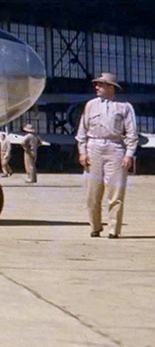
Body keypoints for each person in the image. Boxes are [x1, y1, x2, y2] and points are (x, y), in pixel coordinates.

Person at [76, 73, 138, 238]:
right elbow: (82, 131)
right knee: (92, 193)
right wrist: (82, 152)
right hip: (93, 147)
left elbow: (132, 133)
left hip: (115, 148)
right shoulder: (90, 105)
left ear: (111, 87)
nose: (97, 87)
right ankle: (95, 227)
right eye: (96, 84)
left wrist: (129, 154)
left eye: (101, 85)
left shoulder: (124, 107)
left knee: (116, 193)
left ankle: (114, 229)